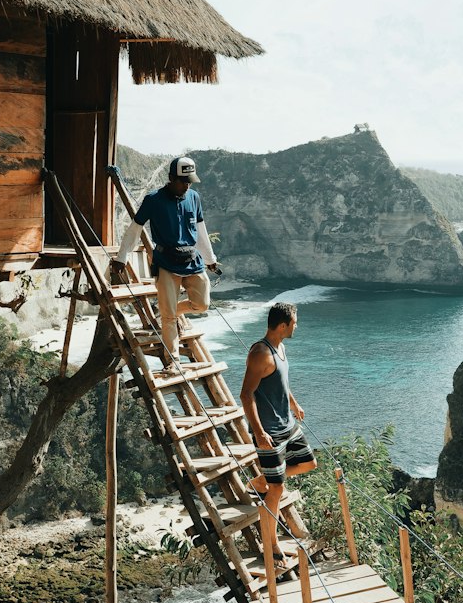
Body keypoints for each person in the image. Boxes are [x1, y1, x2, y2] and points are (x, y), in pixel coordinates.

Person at [111, 155, 220, 358]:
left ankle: (171, 310)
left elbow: (201, 230)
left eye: (189, 181)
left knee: (202, 303)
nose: (187, 186)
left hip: (192, 260)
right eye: (183, 181)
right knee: (168, 318)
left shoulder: (194, 198)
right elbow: (135, 229)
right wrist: (121, 258)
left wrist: (210, 259)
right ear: (171, 177)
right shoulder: (154, 200)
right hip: (166, 263)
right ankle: (173, 359)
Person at [240, 302, 316, 562]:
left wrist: (294, 403)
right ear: (283, 325)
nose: (297, 325)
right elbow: (246, 394)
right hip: (269, 431)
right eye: (295, 322)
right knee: (277, 489)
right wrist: (259, 433)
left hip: (287, 424)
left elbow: (280, 382)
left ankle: (261, 480)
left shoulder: (280, 348)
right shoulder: (261, 353)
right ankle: (271, 546)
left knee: (309, 463)